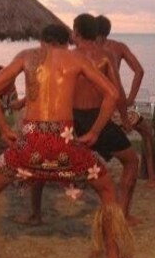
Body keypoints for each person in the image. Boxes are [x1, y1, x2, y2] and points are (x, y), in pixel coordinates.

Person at [0, 24, 134, 258]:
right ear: (66, 41)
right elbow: (112, 93)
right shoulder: (76, 58)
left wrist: (4, 129)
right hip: (65, 143)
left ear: (42, 41)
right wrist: (94, 131)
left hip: (30, 144)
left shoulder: (27, 56)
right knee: (106, 191)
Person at [21, 14, 141, 226]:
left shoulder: (66, 57)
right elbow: (117, 93)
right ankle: (122, 214)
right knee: (131, 162)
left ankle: (35, 214)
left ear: (76, 32)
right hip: (96, 118)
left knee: (39, 160)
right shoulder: (105, 57)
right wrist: (124, 118)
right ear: (96, 34)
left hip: (69, 119)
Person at [95, 15, 155, 186]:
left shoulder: (85, 51)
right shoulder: (118, 48)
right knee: (147, 133)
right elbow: (139, 71)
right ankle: (152, 178)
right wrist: (130, 99)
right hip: (117, 109)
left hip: (94, 109)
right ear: (108, 30)